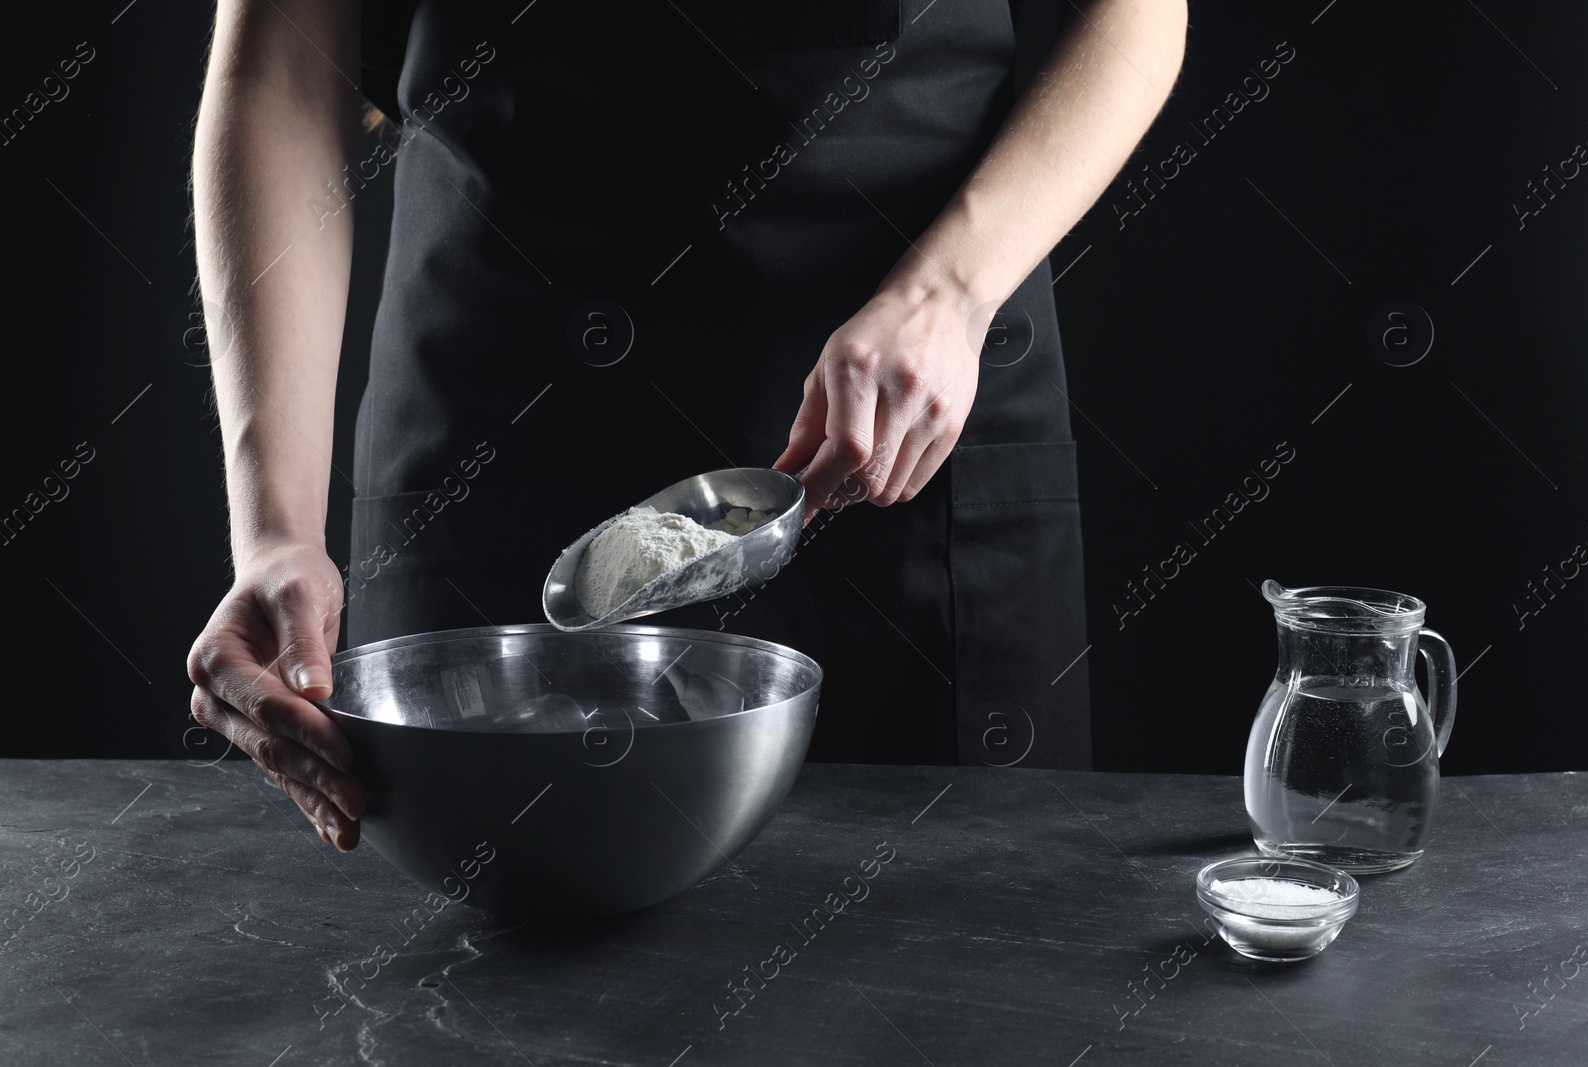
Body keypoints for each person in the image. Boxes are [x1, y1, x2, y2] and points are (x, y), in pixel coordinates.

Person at [187, 0, 1187, 851]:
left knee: (960, 960)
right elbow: (281, 64)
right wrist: (274, 528)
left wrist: (952, 295)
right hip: (494, 423)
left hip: (905, 413)